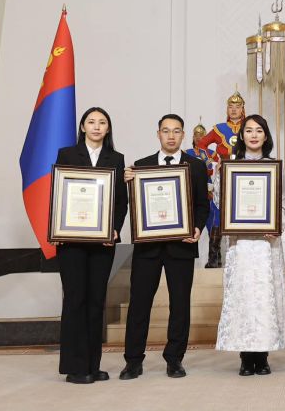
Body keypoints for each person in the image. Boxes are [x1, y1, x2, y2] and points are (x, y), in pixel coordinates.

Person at [119, 114, 209, 380]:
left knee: (180, 305)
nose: (171, 136)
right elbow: (130, 203)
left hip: (181, 245)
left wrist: (197, 227)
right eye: (166, 131)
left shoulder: (196, 166)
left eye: (176, 131)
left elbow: (202, 205)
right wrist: (126, 183)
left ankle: (174, 359)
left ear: (183, 135)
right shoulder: (140, 167)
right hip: (148, 247)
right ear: (158, 134)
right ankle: (133, 361)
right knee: (139, 303)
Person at [53, 107, 128, 384]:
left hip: (103, 242)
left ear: (108, 128)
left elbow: (121, 201)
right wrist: (58, 227)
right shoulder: (67, 154)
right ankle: (75, 367)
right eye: (91, 122)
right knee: (75, 300)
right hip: (71, 241)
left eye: (102, 122)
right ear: (83, 126)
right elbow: (58, 193)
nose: (97, 126)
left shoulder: (116, 159)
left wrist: (115, 228)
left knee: (97, 301)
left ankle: (92, 365)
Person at [213, 114, 285, 376]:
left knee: (264, 296)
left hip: (267, 244)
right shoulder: (229, 167)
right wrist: (221, 178)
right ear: (241, 135)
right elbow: (221, 202)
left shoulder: (275, 167)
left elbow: (284, 202)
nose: (254, 135)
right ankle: (245, 357)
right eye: (248, 130)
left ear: (266, 136)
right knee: (243, 295)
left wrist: (276, 224)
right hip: (241, 242)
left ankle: (263, 355)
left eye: (259, 130)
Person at [198, 90, 246, 267]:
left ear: (242, 109)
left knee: (243, 209)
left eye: (237, 106)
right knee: (218, 210)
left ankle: (242, 256)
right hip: (223, 172)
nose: (234, 110)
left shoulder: (249, 126)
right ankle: (214, 256)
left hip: (243, 172)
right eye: (231, 106)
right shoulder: (219, 129)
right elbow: (201, 144)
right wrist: (209, 162)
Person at [186, 119, 222, 268]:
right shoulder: (186, 154)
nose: (199, 138)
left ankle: (214, 257)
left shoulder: (213, 154)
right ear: (192, 137)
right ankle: (186, 259)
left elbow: (219, 173)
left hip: (210, 193)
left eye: (202, 135)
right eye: (196, 135)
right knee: (190, 224)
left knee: (213, 223)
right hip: (192, 195)